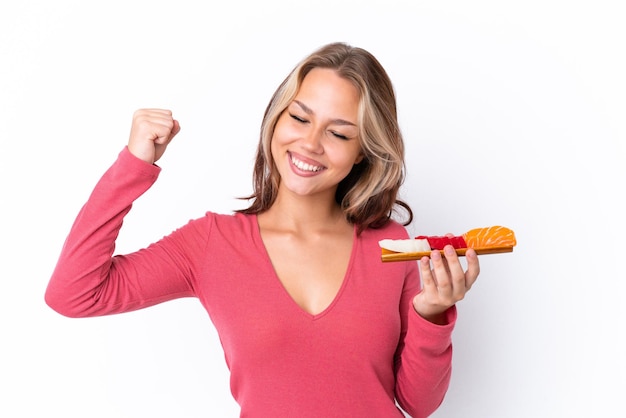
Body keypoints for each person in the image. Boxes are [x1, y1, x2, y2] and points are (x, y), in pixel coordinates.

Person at [45, 42, 480, 418]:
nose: (310, 144)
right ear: (276, 117)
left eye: (339, 134)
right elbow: (74, 293)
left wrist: (432, 314)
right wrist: (134, 164)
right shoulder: (211, 244)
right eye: (300, 117)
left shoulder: (390, 247)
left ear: (364, 153)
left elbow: (418, 403)